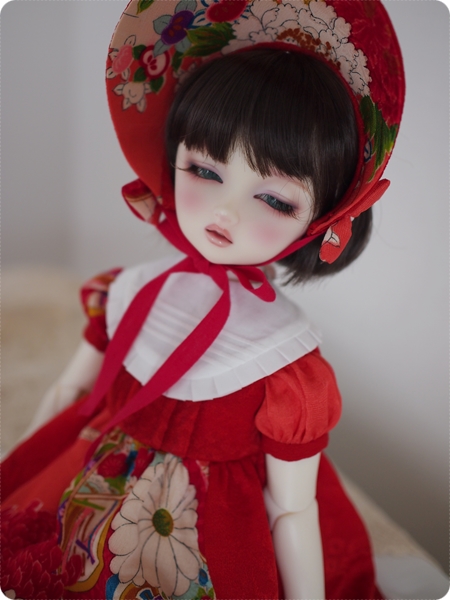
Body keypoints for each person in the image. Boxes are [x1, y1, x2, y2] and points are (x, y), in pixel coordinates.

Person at [1, 1, 405, 598]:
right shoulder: (128, 291)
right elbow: (70, 394)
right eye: (204, 170)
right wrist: (24, 471)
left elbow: (292, 509)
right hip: (91, 475)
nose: (225, 212)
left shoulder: (285, 365)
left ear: (324, 221)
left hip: (210, 529)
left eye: (275, 200)